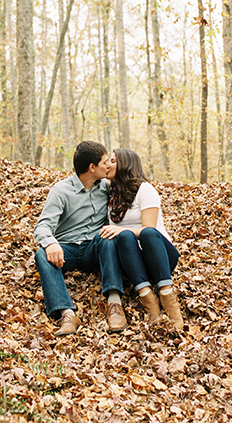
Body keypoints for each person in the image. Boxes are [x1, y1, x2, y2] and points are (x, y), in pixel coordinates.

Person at [33, 141, 127, 336]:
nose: (107, 166)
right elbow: (42, 226)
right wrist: (51, 243)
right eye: (104, 162)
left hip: (94, 248)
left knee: (107, 236)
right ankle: (67, 314)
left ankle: (114, 304)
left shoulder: (106, 187)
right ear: (92, 168)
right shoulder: (61, 191)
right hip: (68, 250)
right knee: (41, 254)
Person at [99, 148, 184, 329]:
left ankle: (169, 299)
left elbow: (150, 228)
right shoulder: (111, 196)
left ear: (125, 165)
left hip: (160, 254)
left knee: (145, 233)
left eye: (113, 161)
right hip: (134, 260)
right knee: (125, 236)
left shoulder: (145, 190)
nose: (108, 165)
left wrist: (119, 229)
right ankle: (149, 301)